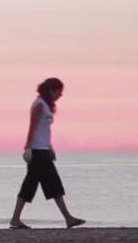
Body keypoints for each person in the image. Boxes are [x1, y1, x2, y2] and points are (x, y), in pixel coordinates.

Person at [10, 77, 86, 229]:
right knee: (46, 185)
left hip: (44, 150)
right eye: (59, 91)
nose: (61, 95)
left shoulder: (45, 105)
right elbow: (32, 127)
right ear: (51, 90)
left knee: (36, 185)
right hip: (37, 152)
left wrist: (50, 148)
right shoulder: (38, 105)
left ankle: (16, 219)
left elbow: (44, 131)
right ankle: (68, 218)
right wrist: (28, 148)